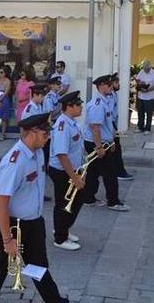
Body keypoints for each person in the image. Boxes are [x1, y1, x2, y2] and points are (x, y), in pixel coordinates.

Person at [0, 113, 69, 303]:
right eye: (45, 134)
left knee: (39, 265)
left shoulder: (38, 152)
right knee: (2, 265)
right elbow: (1, 203)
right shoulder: (15, 161)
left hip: (34, 222)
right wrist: (7, 239)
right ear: (33, 133)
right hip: (12, 224)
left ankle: (55, 300)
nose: (48, 137)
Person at [82, 74, 130, 211]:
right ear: (101, 86)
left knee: (93, 171)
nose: (111, 87)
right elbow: (95, 127)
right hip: (97, 143)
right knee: (110, 173)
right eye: (109, 85)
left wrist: (112, 140)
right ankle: (113, 201)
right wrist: (99, 147)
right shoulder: (98, 104)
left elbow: (109, 124)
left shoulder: (105, 101)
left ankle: (88, 198)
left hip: (103, 142)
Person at [49, 91, 85, 251]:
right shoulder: (62, 126)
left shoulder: (72, 122)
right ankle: (60, 238)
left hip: (72, 169)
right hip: (62, 171)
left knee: (76, 200)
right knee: (63, 204)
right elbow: (62, 154)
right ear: (68, 107)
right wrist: (74, 176)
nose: (81, 107)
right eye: (78, 105)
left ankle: (63, 228)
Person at [108, 73, 134, 181]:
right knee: (116, 151)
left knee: (115, 151)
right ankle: (118, 172)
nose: (118, 84)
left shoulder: (114, 94)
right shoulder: (110, 96)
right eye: (116, 82)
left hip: (113, 125)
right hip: (110, 126)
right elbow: (108, 114)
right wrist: (112, 129)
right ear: (112, 83)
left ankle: (116, 171)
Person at [135, 60, 154, 135]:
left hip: (149, 97)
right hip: (140, 96)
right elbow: (137, 79)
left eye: (147, 69)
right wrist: (140, 83)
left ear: (150, 67)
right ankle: (140, 127)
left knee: (149, 114)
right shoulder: (141, 71)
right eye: (144, 69)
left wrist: (148, 89)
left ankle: (147, 129)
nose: (145, 70)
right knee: (140, 112)